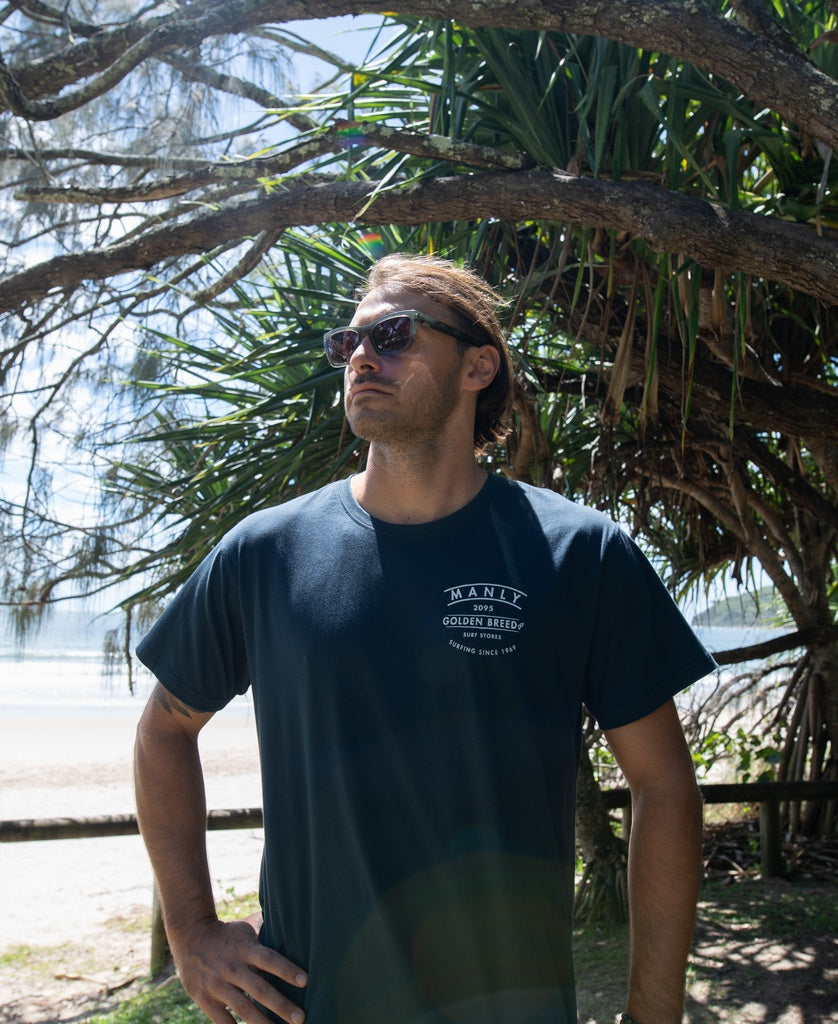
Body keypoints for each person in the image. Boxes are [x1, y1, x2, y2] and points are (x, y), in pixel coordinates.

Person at [134, 253, 716, 1024]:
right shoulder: (264, 553)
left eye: (395, 335)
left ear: (479, 366)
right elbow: (164, 731)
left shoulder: (581, 553)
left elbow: (664, 786)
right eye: (349, 343)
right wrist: (192, 931)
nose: (361, 357)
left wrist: (653, 1012)